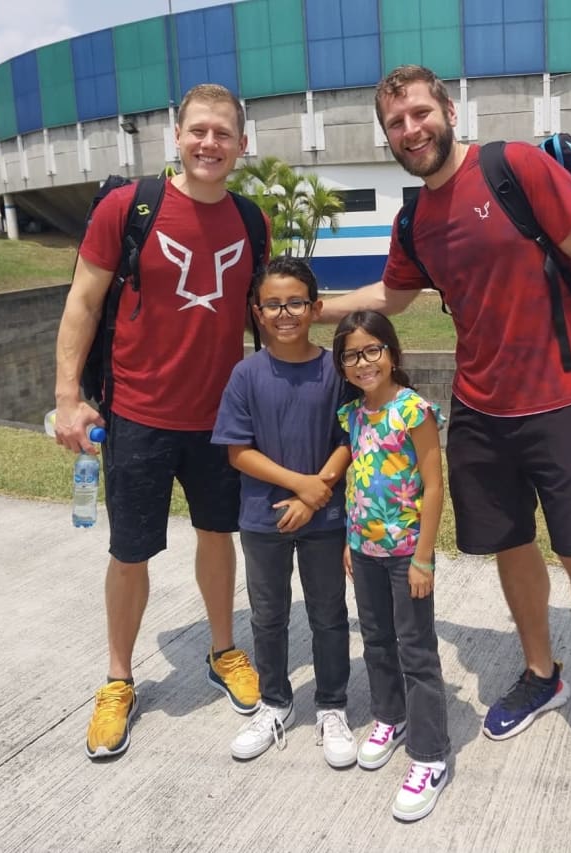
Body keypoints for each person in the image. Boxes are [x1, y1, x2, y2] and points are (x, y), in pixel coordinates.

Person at [319, 65, 571, 817]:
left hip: (566, 398)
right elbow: (396, 295)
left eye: (418, 113)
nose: (410, 130)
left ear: (447, 108)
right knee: (510, 546)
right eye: (395, 125)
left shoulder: (515, 167)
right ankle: (542, 672)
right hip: (479, 409)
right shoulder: (414, 221)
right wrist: (309, 309)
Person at [53, 83, 266, 759]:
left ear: (240, 143)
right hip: (139, 415)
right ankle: (119, 677)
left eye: (222, 133)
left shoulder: (250, 220)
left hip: (218, 417)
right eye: (198, 130)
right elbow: (83, 304)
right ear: (177, 136)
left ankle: (222, 647)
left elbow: (264, 311)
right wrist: (67, 397)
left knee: (216, 535)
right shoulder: (130, 206)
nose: (210, 143)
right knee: (130, 551)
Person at [212, 256, 357, 768]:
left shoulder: (334, 372)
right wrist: (303, 487)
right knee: (268, 615)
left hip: (325, 520)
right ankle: (274, 701)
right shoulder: (246, 374)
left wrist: (317, 494)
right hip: (262, 517)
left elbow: (348, 439)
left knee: (329, 614)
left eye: (295, 302)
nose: (284, 312)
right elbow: (237, 451)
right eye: (272, 304)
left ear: (316, 308)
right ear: (257, 312)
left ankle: (332, 705)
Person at [333, 309, 450, 822]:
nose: (363, 362)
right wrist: (348, 539)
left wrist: (424, 557)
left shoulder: (413, 411)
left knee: (416, 651)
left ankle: (430, 755)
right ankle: (389, 716)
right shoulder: (353, 415)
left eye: (371, 350)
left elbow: (433, 486)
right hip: (364, 550)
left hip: (407, 557)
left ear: (392, 352)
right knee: (376, 640)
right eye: (352, 355)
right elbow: (356, 479)